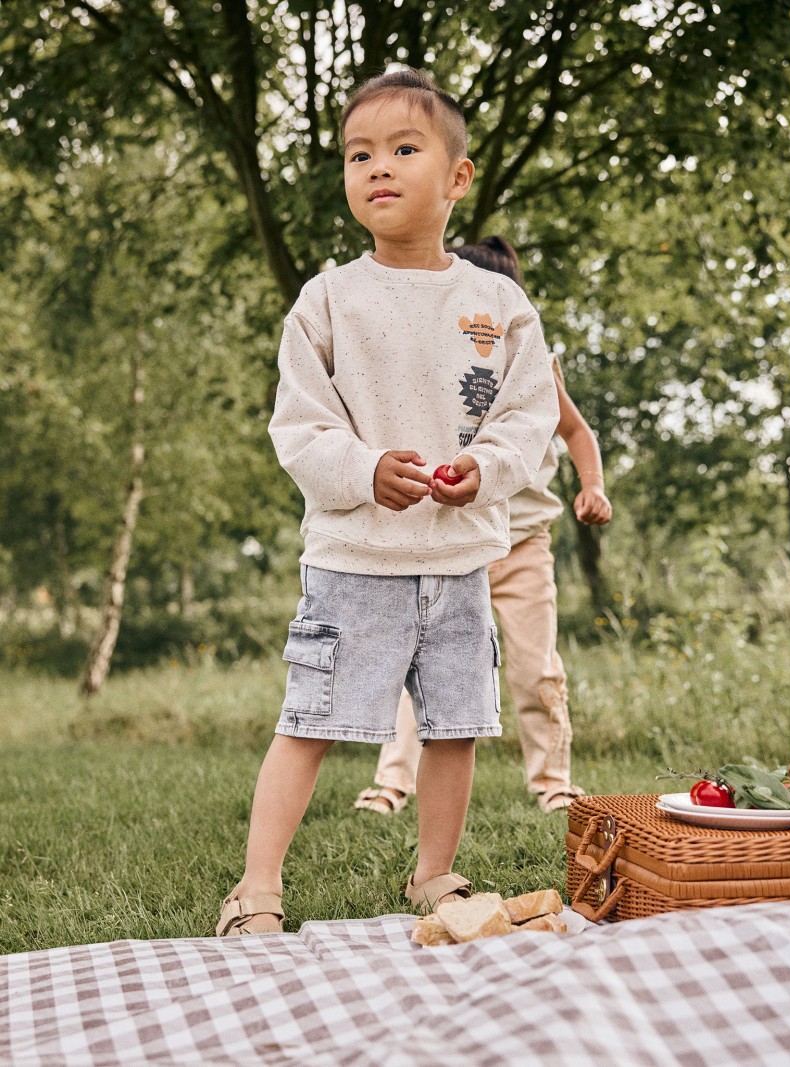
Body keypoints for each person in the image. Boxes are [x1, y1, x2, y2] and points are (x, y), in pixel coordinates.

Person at [216, 68, 560, 936]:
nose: (379, 167)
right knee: (309, 721)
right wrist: (365, 470)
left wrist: (487, 467)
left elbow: (529, 413)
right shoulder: (329, 298)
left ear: (456, 178)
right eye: (359, 153)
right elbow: (298, 425)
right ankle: (256, 886)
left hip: (457, 564)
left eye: (405, 149)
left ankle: (435, 873)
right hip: (354, 562)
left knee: (453, 727)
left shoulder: (498, 303)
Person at [354, 236, 612, 818]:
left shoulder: (532, 361)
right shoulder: (425, 359)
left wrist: (591, 485)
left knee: (534, 666)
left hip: (521, 545)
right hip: (445, 545)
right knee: (413, 664)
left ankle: (553, 782)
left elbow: (575, 432)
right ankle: (393, 783)